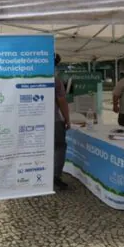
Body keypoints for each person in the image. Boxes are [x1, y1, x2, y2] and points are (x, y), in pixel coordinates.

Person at [54, 54, 71, 191]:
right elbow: (62, 101)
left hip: (32, 121)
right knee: (59, 147)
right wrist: (67, 119)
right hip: (54, 121)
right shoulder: (56, 81)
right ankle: (56, 176)